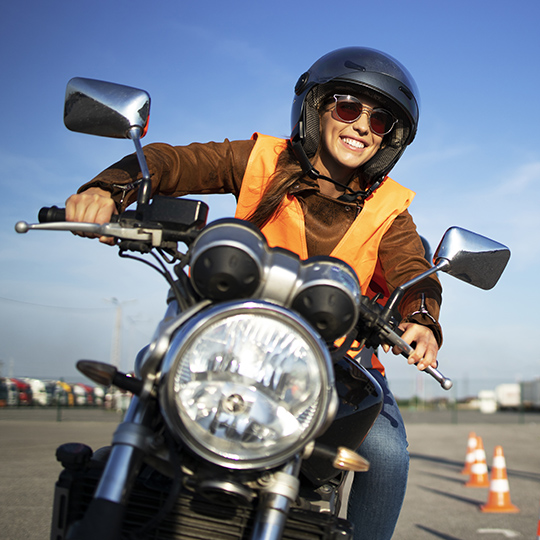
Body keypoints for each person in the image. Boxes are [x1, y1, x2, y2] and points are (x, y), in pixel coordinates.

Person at [66, 46, 442, 540]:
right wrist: (110, 189)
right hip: (229, 341)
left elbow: (414, 269)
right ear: (317, 107)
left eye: (381, 120)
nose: (362, 126)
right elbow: (171, 162)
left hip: (335, 369)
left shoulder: (392, 208)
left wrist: (421, 317)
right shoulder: (261, 160)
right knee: (155, 379)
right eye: (348, 107)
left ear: (391, 137)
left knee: (387, 454)